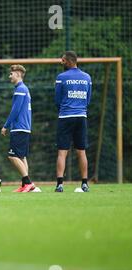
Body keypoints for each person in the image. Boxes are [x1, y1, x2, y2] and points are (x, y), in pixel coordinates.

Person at [55, 51, 92, 192]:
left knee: (62, 152)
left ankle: (59, 185)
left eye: (63, 60)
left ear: (69, 61)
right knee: (81, 151)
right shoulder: (87, 77)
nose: (61, 62)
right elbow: (88, 99)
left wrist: (63, 109)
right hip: (82, 116)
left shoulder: (61, 77)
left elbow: (57, 100)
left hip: (65, 117)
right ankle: (84, 184)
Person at [1, 65, 35, 192]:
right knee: (21, 157)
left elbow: (15, 110)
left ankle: (28, 182)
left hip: (19, 127)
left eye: (11, 74)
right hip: (24, 127)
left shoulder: (20, 89)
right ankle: (25, 185)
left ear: (19, 74)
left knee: (12, 156)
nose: (10, 76)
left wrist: (6, 125)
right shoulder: (23, 88)